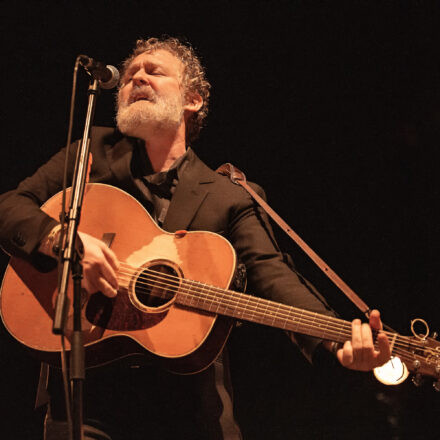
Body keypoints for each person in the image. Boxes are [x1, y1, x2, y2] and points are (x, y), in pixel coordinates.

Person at [0, 37, 390, 439]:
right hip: (87, 398)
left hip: (191, 402)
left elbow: (274, 277)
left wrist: (334, 340)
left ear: (193, 100)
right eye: (131, 73)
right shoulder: (91, 152)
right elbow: (10, 207)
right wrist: (62, 240)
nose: (137, 78)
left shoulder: (229, 195)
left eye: (154, 71)